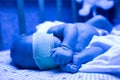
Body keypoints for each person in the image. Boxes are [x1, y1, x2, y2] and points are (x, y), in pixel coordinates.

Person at [10, 15, 113, 73]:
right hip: (100, 36)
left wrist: (66, 46)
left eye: (39, 43)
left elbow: (70, 27)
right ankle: (114, 33)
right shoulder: (70, 56)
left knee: (100, 19)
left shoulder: (52, 31)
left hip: (90, 25)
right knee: (111, 39)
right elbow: (99, 49)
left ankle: (114, 30)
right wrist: (80, 58)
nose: (50, 48)